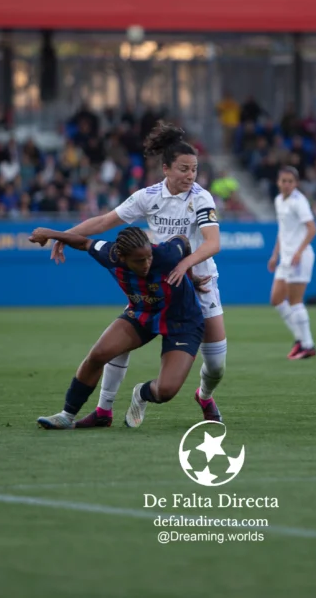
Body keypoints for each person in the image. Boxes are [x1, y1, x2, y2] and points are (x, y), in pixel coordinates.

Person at [48, 121, 226, 427]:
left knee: (216, 365)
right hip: (156, 283)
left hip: (200, 286)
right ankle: (103, 410)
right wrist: (63, 236)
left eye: (194, 169)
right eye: (184, 169)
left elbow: (213, 243)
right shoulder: (148, 196)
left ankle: (205, 396)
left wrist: (185, 265)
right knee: (118, 343)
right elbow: (104, 222)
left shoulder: (201, 198)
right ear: (166, 168)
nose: (191, 176)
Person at [32, 227, 216, 430]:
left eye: (148, 257)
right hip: (142, 314)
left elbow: (183, 240)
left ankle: (141, 393)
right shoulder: (109, 254)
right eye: (139, 261)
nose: (146, 264)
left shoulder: (166, 253)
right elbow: (84, 242)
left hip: (183, 321)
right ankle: (67, 415)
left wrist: (189, 275)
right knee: (98, 354)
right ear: (121, 257)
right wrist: (51, 233)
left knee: (165, 391)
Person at [268, 166, 316, 359]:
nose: (287, 184)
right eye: (284, 181)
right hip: (286, 257)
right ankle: (300, 339)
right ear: (278, 182)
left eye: (290, 181)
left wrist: (298, 252)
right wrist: (275, 255)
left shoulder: (299, 201)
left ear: (296, 183)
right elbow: (283, 231)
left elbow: (312, 229)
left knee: (295, 301)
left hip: (300, 256)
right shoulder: (279, 200)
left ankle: (308, 345)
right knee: (276, 299)